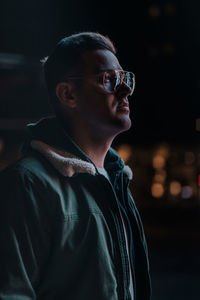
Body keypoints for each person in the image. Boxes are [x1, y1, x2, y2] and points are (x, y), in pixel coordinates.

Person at [0, 32, 151, 300]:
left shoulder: (116, 181)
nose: (125, 89)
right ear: (68, 95)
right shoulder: (26, 184)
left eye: (124, 78)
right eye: (108, 80)